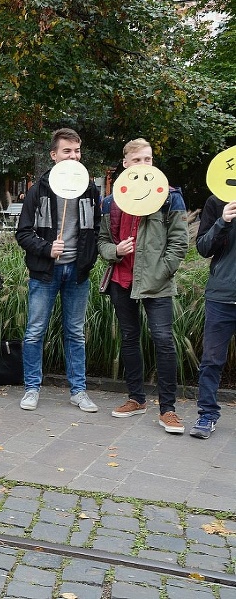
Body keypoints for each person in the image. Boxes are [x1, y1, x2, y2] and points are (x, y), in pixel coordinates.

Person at [98, 139, 188, 433]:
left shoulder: (169, 197)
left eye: (148, 159)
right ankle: (136, 399)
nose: (144, 165)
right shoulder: (110, 202)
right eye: (137, 160)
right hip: (121, 279)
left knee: (162, 341)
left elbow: (179, 242)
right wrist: (115, 252)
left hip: (156, 283)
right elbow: (102, 241)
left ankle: (168, 409)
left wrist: (161, 273)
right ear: (125, 164)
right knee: (128, 338)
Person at [16, 128, 102, 412]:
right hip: (45, 274)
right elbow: (23, 233)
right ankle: (31, 388)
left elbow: (96, 231)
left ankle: (78, 391)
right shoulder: (38, 190)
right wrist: (46, 248)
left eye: (77, 151)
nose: (74, 156)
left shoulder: (90, 190)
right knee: (35, 331)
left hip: (77, 274)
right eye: (67, 151)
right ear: (54, 155)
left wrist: (88, 261)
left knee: (75, 333)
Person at [190, 195, 236, 439]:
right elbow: (203, 248)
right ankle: (207, 415)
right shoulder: (216, 201)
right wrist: (223, 220)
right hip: (222, 297)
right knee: (212, 360)